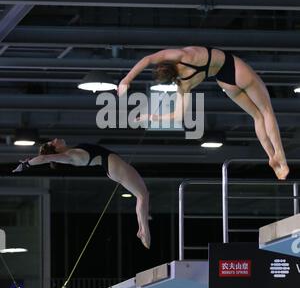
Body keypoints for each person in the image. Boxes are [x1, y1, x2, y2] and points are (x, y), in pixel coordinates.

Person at [118, 46, 289, 180]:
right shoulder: (181, 55)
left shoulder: (183, 85)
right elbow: (147, 59)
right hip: (233, 67)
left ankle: (269, 155)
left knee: (256, 116)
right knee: (266, 111)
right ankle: (279, 154)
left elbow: (178, 116)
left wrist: (152, 117)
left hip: (224, 82)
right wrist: (127, 80)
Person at [13, 138, 151, 249]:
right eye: (52, 143)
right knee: (142, 196)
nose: (55, 139)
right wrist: (26, 165)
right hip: (113, 166)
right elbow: (45, 158)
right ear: (55, 149)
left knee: (142, 195)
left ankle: (141, 229)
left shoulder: (73, 151)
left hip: (113, 166)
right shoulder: (69, 156)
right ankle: (144, 231)